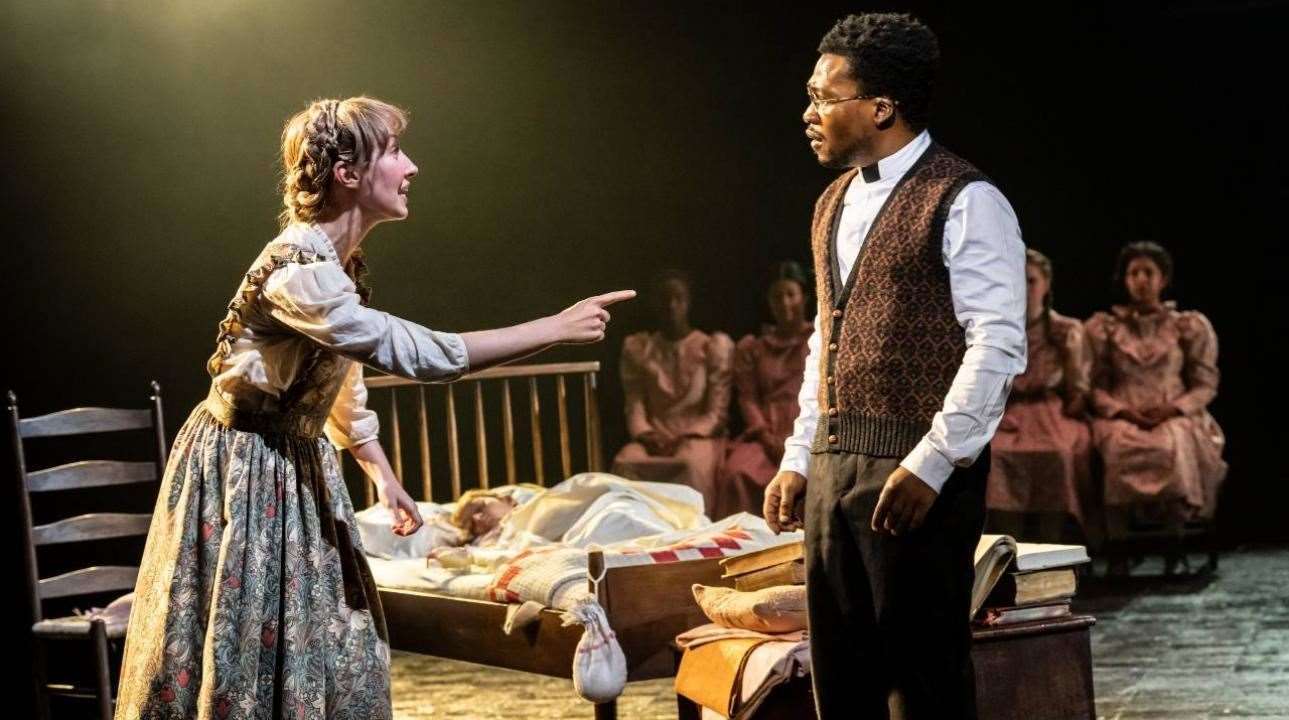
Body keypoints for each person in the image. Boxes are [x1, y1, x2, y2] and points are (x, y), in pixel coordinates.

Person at [114, 96, 633, 719]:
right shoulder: (297, 271)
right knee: (254, 651)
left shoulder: (334, 267)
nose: (410, 166)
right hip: (247, 470)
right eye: (392, 152)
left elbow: (341, 386)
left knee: (336, 645)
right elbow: (416, 354)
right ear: (347, 173)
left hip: (293, 463)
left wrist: (381, 474)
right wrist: (551, 327)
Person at [762, 14, 1026, 719]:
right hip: (832, 465)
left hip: (913, 475)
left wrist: (934, 462)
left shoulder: (965, 199)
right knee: (842, 678)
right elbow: (828, 337)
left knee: (922, 680)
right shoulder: (831, 201)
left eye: (824, 97)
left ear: (879, 108)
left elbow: (997, 343)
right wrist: (797, 455)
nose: (808, 113)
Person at [1086, 241, 1226, 536]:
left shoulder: (1187, 325)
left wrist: (1174, 407)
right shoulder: (1105, 328)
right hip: (1123, 414)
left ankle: (1174, 536)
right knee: (1115, 445)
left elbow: (1205, 382)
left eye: (1148, 272)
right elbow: (1094, 385)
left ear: (1163, 279)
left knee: (1174, 441)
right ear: (1124, 280)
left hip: (1173, 410)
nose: (1141, 280)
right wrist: (1122, 410)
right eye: (1133, 273)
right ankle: (1118, 545)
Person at [985, 249, 1094, 544]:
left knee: (1057, 454)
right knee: (994, 456)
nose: (1024, 288)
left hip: (1049, 412)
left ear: (1046, 284)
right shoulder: (996, 329)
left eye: (1031, 281)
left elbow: (1078, 394)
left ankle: (1053, 547)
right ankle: (1006, 550)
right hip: (1006, 411)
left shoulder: (1065, 330)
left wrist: (1070, 357)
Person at [611, 270, 733, 514]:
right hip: (655, 435)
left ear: (688, 302)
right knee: (625, 461)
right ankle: (636, 531)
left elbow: (715, 411)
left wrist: (688, 434)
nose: (671, 306)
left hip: (697, 435)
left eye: (678, 299)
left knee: (689, 464)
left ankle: (694, 533)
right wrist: (646, 434)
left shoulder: (710, 347)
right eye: (664, 299)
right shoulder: (642, 349)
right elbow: (634, 403)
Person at [716, 261, 814, 518]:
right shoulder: (754, 347)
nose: (784, 303)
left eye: (790, 294)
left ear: (803, 297)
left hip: (807, 424)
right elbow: (747, 397)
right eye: (776, 296)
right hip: (767, 430)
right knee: (737, 472)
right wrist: (765, 435)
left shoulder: (817, 339)